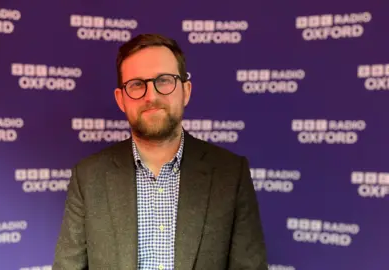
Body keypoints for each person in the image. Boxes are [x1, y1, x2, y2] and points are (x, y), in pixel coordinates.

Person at [52, 33, 267, 270]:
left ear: (186, 91)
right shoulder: (88, 177)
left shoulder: (230, 174)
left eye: (164, 80)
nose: (151, 96)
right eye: (136, 85)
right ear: (121, 99)